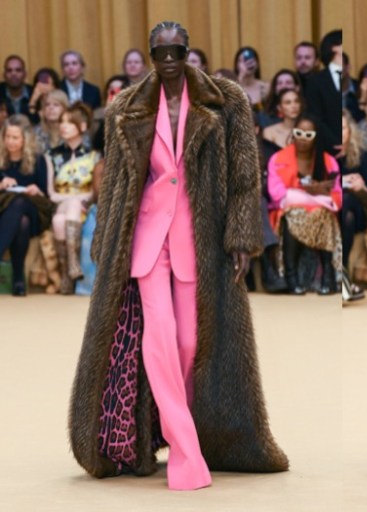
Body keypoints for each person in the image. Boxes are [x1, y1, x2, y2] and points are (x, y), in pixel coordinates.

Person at [69, 21, 288, 491]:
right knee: (159, 340)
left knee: (190, 342)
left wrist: (241, 236)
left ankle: (185, 430)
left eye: (177, 51)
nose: (168, 60)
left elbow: (245, 176)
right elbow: (115, 183)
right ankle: (186, 451)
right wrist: (105, 239)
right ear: (150, 54)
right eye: (160, 52)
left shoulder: (225, 100)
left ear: (188, 52)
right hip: (147, 234)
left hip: (198, 234)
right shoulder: (126, 106)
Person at [267, 115, 342, 295]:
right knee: (295, 212)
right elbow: (278, 195)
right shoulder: (278, 158)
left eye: (308, 135)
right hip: (288, 211)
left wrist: (317, 194)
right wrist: (311, 192)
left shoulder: (328, 161)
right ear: (293, 133)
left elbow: (336, 197)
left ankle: (328, 276)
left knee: (323, 213)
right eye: (299, 133)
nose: (302, 138)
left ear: (316, 137)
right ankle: (291, 276)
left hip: (320, 213)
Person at [45, 102, 102, 294]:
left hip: (84, 207)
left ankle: (66, 277)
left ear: (82, 127)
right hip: (60, 203)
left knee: (59, 221)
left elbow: (93, 192)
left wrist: (77, 199)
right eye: (62, 122)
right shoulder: (51, 155)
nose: (63, 126)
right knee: (70, 206)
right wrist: (72, 199)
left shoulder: (94, 156)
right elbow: (51, 193)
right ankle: (73, 265)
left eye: (69, 122)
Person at [0, 115, 53, 296]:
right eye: (7, 136)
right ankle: (18, 279)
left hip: (34, 210)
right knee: (21, 221)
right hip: (4, 210)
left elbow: (45, 193)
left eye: (15, 137)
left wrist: (36, 190)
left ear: (25, 139)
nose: (10, 141)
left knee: (21, 202)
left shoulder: (38, 160)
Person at [304, 29, 346, 163]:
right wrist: (336, 144)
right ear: (334, 47)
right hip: (327, 151)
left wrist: (350, 143)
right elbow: (315, 118)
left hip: (353, 151)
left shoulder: (353, 81)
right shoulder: (315, 82)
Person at [1, 56, 36, 122]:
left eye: (18, 70)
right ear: (4, 75)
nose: (13, 74)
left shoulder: (34, 93)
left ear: (25, 74)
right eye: (9, 70)